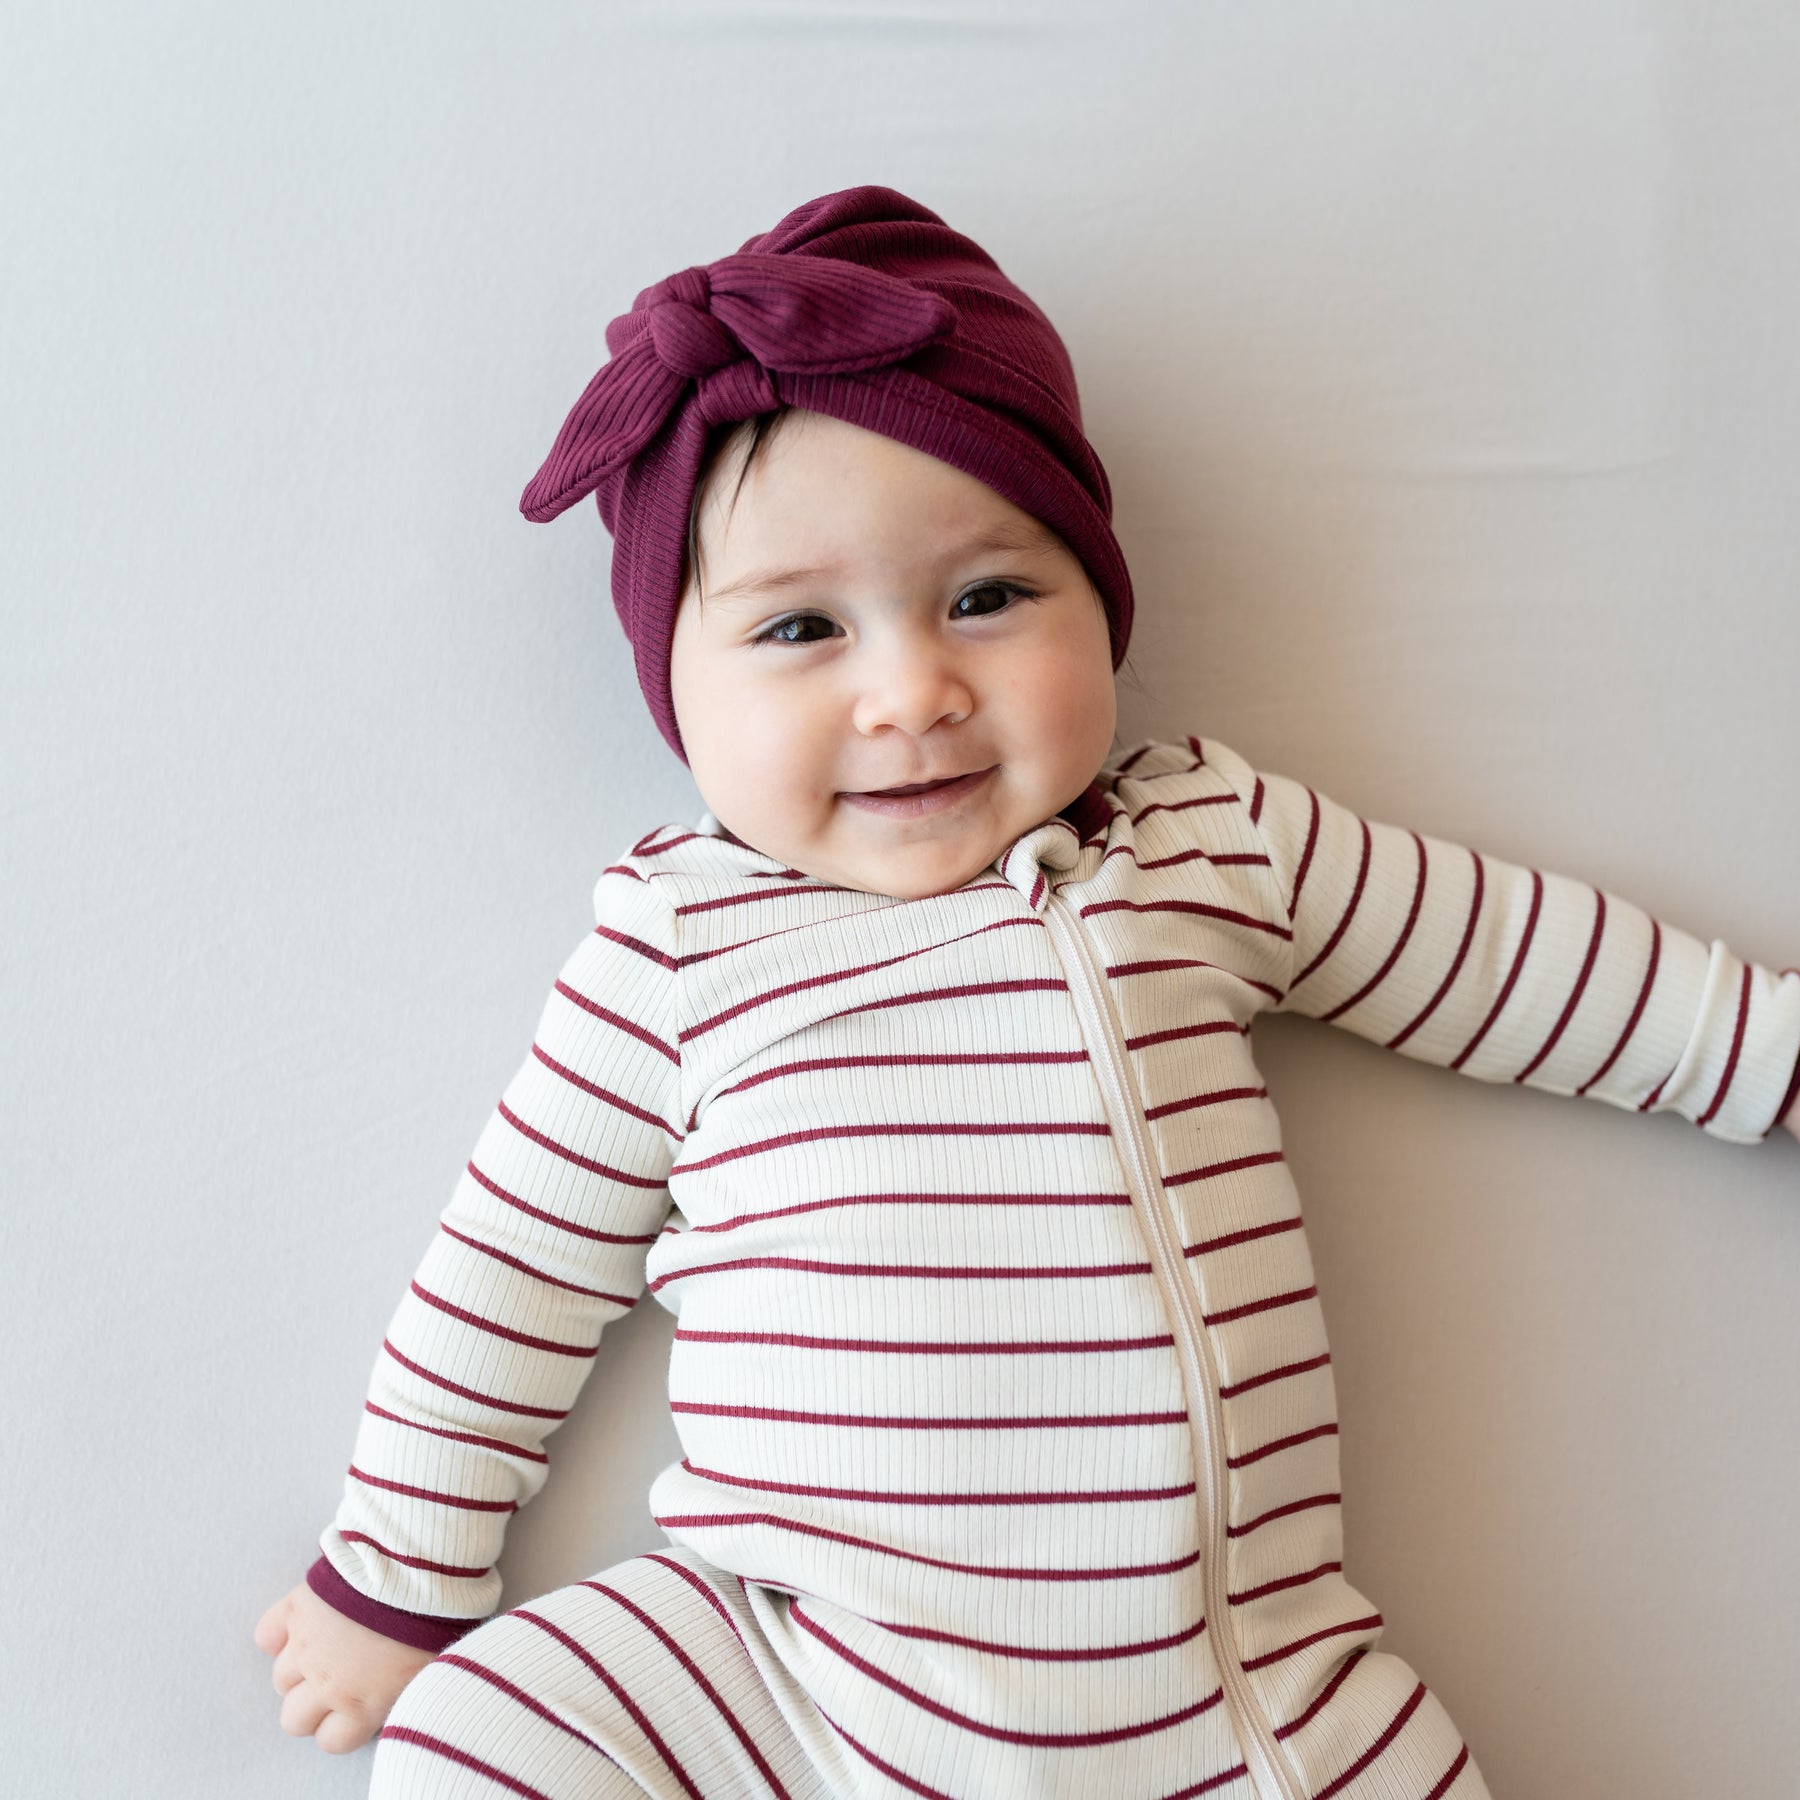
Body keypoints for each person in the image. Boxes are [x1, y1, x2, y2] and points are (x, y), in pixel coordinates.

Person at [253, 185, 1800, 1800]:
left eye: (987, 598)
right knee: (485, 1737)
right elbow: (511, 1271)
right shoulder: (681, 946)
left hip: (1242, 1692)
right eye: (799, 627)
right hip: (800, 1680)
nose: (912, 690)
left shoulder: (1200, 842)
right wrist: (397, 1574)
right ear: (678, 692)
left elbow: (1505, 955)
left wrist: (1767, 1048)